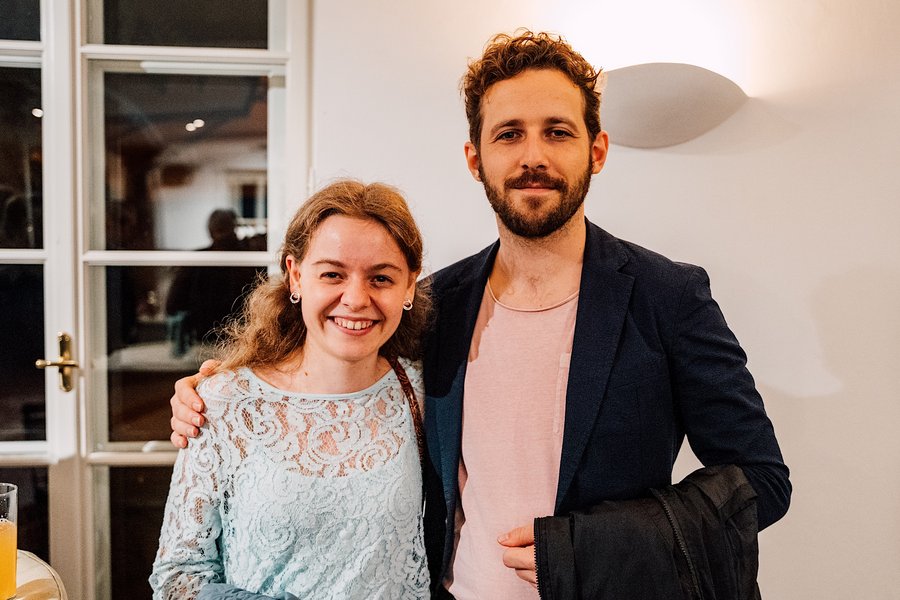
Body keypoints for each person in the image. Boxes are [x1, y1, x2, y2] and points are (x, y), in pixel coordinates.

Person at [171, 31, 791, 599]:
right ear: (475, 159)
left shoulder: (668, 296)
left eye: (558, 131)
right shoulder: (441, 302)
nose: (533, 156)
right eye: (509, 133)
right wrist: (228, 389)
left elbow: (761, 480)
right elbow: (342, 371)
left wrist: (591, 545)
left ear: (596, 150)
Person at [150, 180, 431, 599]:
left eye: (381, 278)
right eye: (332, 274)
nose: (355, 298)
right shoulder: (224, 403)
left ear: (409, 285)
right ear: (296, 275)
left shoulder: (430, 394)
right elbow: (177, 577)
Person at [165, 208, 266, 354]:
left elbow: (173, 304)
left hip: (242, 341)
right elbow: (173, 303)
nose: (223, 237)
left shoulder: (250, 256)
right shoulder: (248, 257)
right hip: (213, 341)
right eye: (220, 230)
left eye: (223, 230)